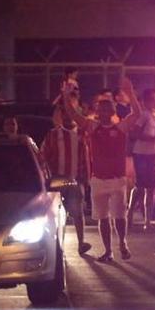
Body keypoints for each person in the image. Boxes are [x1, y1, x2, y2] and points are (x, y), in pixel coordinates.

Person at [61, 76, 143, 262]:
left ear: (114, 110)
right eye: (101, 108)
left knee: (119, 217)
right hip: (98, 179)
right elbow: (73, 115)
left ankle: (122, 243)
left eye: (108, 108)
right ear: (97, 110)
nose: (105, 111)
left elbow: (137, 114)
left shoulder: (121, 127)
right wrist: (66, 97)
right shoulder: (92, 126)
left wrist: (130, 93)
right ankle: (108, 251)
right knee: (102, 218)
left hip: (117, 179)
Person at [42, 101, 92, 255]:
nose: (68, 117)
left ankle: (81, 242)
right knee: (55, 214)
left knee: (77, 211)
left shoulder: (81, 136)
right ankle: (55, 246)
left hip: (74, 179)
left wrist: (85, 180)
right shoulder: (53, 135)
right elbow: (43, 157)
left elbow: (86, 159)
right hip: (57, 180)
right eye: (65, 114)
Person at [127, 88, 155, 230]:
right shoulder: (143, 115)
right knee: (140, 186)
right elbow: (134, 134)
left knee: (151, 188)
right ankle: (129, 215)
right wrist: (153, 139)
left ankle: (148, 221)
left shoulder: (153, 116)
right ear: (146, 101)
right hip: (141, 153)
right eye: (153, 99)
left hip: (151, 153)